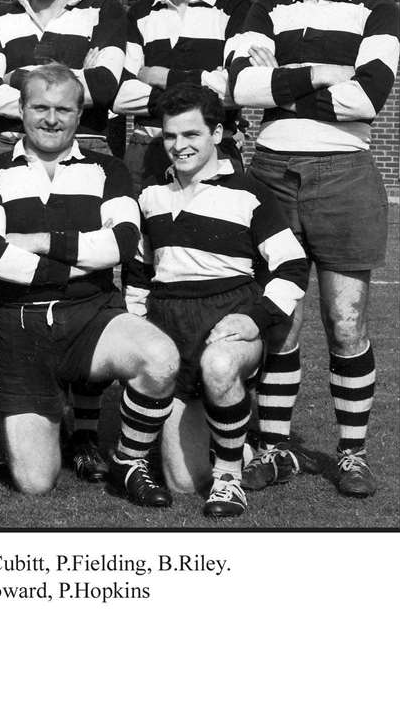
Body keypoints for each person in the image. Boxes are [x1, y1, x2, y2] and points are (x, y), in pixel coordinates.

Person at [227, 0, 400, 497]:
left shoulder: (379, 10)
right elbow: (240, 87)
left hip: (345, 174)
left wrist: (282, 87)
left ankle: (351, 454)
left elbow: (368, 98)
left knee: (345, 321)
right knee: (282, 318)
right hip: (271, 170)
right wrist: (328, 74)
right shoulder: (263, 7)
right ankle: (275, 449)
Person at [0, 64, 179, 507]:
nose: (50, 119)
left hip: (90, 317)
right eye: (39, 107)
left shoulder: (108, 170)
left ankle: (128, 460)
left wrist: (41, 242)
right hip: (18, 325)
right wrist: (77, 257)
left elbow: (121, 243)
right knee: (36, 483)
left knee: (159, 359)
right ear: (20, 109)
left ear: (80, 115)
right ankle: (40, 425)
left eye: (63, 109)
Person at [0, 0, 128, 479]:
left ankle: (88, 435)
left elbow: (107, 88)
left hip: (89, 157)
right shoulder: (0, 17)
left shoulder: (108, 12)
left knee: (86, 282)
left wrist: (21, 85)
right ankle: (25, 409)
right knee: (21, 273)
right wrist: (67, 86)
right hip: (18, 163)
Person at [126, 86, 309, 518]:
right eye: (170, 136)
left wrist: (255, 320)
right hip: (170, 323)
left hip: (228, 317)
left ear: (217, 133)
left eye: (191, 134)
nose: (179, 146)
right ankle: (243, 447)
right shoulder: (150, 197)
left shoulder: (249, 193)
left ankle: (229, 477)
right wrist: (136, 327)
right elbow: (137, 274)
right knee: (183, 482)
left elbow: (292, 263)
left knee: (221, 367)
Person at [113, 0, 252, 191]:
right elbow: (120, 95)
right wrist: (202, 86)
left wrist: (161, 77)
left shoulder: (238, 10)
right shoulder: (139, 14)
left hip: (214, 148)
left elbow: (235, 89)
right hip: (147, 148)